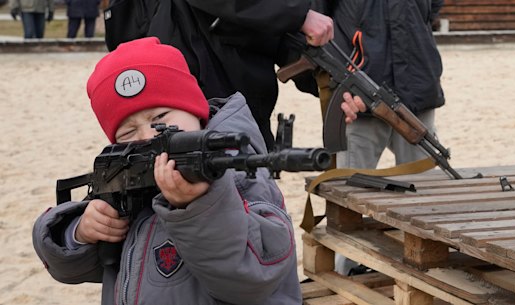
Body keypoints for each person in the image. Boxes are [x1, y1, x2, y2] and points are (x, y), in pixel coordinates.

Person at [32, 37, 302, 305]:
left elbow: (255, 279)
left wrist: (201, 206)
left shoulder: (235, 172)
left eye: (161, 120)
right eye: (128, 132)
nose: (148, 135)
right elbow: (75, 269)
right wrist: (80, 232)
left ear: (194, 110)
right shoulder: (130, 182)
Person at [103, 0, 334, 151]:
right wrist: (297, 14)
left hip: (238, 107)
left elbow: (278, 40)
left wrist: (330, 84)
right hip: (193, 106)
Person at [324, 0, 446, 275]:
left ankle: (427, 268)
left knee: (426, 191)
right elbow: (317, 13)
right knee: (349, 194)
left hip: (417, 88)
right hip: (358, 93)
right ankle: (345, 271)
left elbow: (434, 5)